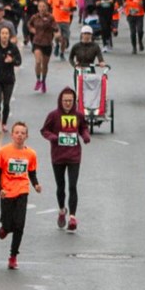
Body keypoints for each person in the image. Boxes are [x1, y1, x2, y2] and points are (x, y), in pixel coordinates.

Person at [40, 86, 91, 231]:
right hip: (58, 155)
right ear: (60, 101)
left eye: (70, 101)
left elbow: (83, 128)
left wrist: (85, 136)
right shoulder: (53, 115)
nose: (68, 103)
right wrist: (54, 138)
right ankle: (62, 210)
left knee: (73, 186)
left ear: (74, 101)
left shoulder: (79, 115)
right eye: (65, 101)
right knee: (60, 186)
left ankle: (73, 217)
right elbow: (44, 130)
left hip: (74, 155)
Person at [0, 122, 41, 270]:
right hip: (7, 192)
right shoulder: (4, 152)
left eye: (22, 133)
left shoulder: (31, 154)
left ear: (26, 136)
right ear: (12, 135)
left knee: (20, 224)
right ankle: (5, 228)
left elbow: (31, 172)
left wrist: (36, 184)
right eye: (17, 132)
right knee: (8, 224)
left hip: (22, 190)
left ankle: (13, 256)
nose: (20, 135)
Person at [0, 25, 22, 133]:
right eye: (3, 33)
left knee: (6, 103)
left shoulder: (13, 48)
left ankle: (4, 123)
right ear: (0, 35)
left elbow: (19, 61)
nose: (5, 36)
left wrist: (12, 61)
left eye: (7, 33)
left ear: (9, 35)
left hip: (9, 79)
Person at [26, 0, 58, 93]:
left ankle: (44, 81)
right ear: (38, 8)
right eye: (40, 6)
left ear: (47, 7)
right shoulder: (35, 17)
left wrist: (50, 26)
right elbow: (29, 24)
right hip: (37, 42)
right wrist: (32, 30)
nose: (42, 9)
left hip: (47, 42)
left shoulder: (50, 17)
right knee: (38, 61)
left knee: (45, 64)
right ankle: (38, 80)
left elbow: (55, 27)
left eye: (44, 7)